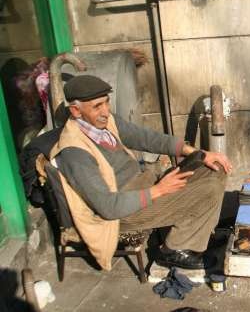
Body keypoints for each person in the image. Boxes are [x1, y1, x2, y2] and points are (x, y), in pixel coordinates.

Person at [49, 75, 233, 271]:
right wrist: (159, 190)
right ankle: (175, 250)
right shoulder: (75, 153)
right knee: (208, 190)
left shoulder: (105, 123)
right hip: (124, 211)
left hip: (145, 184)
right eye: (97, 106)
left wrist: (199, 153)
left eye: (106, 103)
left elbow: (147, 138)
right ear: (76, 110)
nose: (105, 111)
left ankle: (194, 233)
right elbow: (108, 208)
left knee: (216, 166)